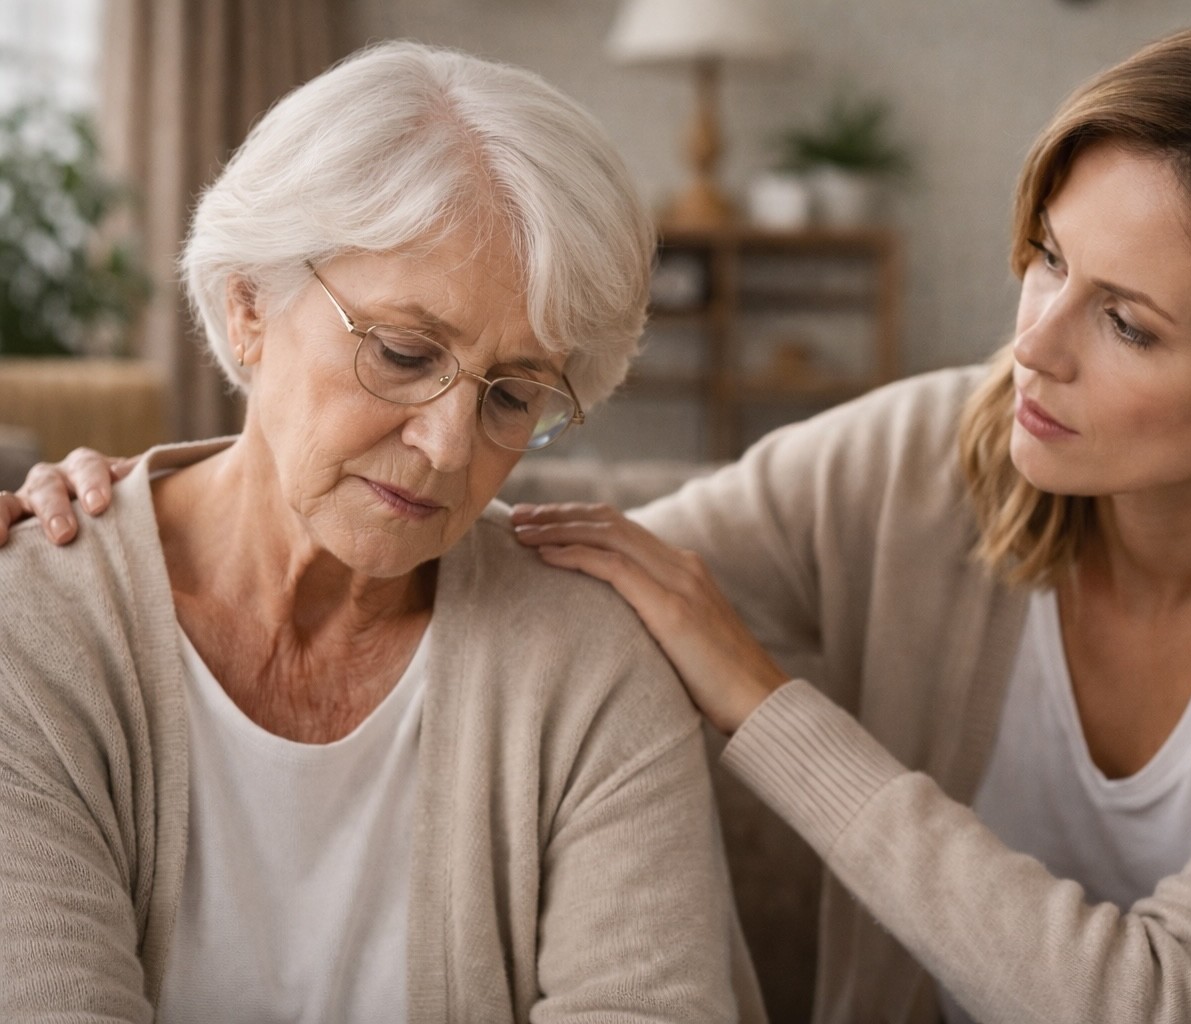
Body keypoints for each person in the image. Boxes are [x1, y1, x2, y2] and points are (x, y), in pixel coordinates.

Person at [10, 19, 1191, 1024]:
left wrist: (758, 697)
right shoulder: (939, 456)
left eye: (1127, 321)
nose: (1039, 345)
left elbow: (1172, 1005)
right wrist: (141, 504)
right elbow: (533, 529)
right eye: (1045, 260)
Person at [0, 41, 758, 1023]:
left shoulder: (590, 661)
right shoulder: (37, 624)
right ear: (248, 308)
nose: (449, 444)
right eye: (404, 353)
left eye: (513, 394)